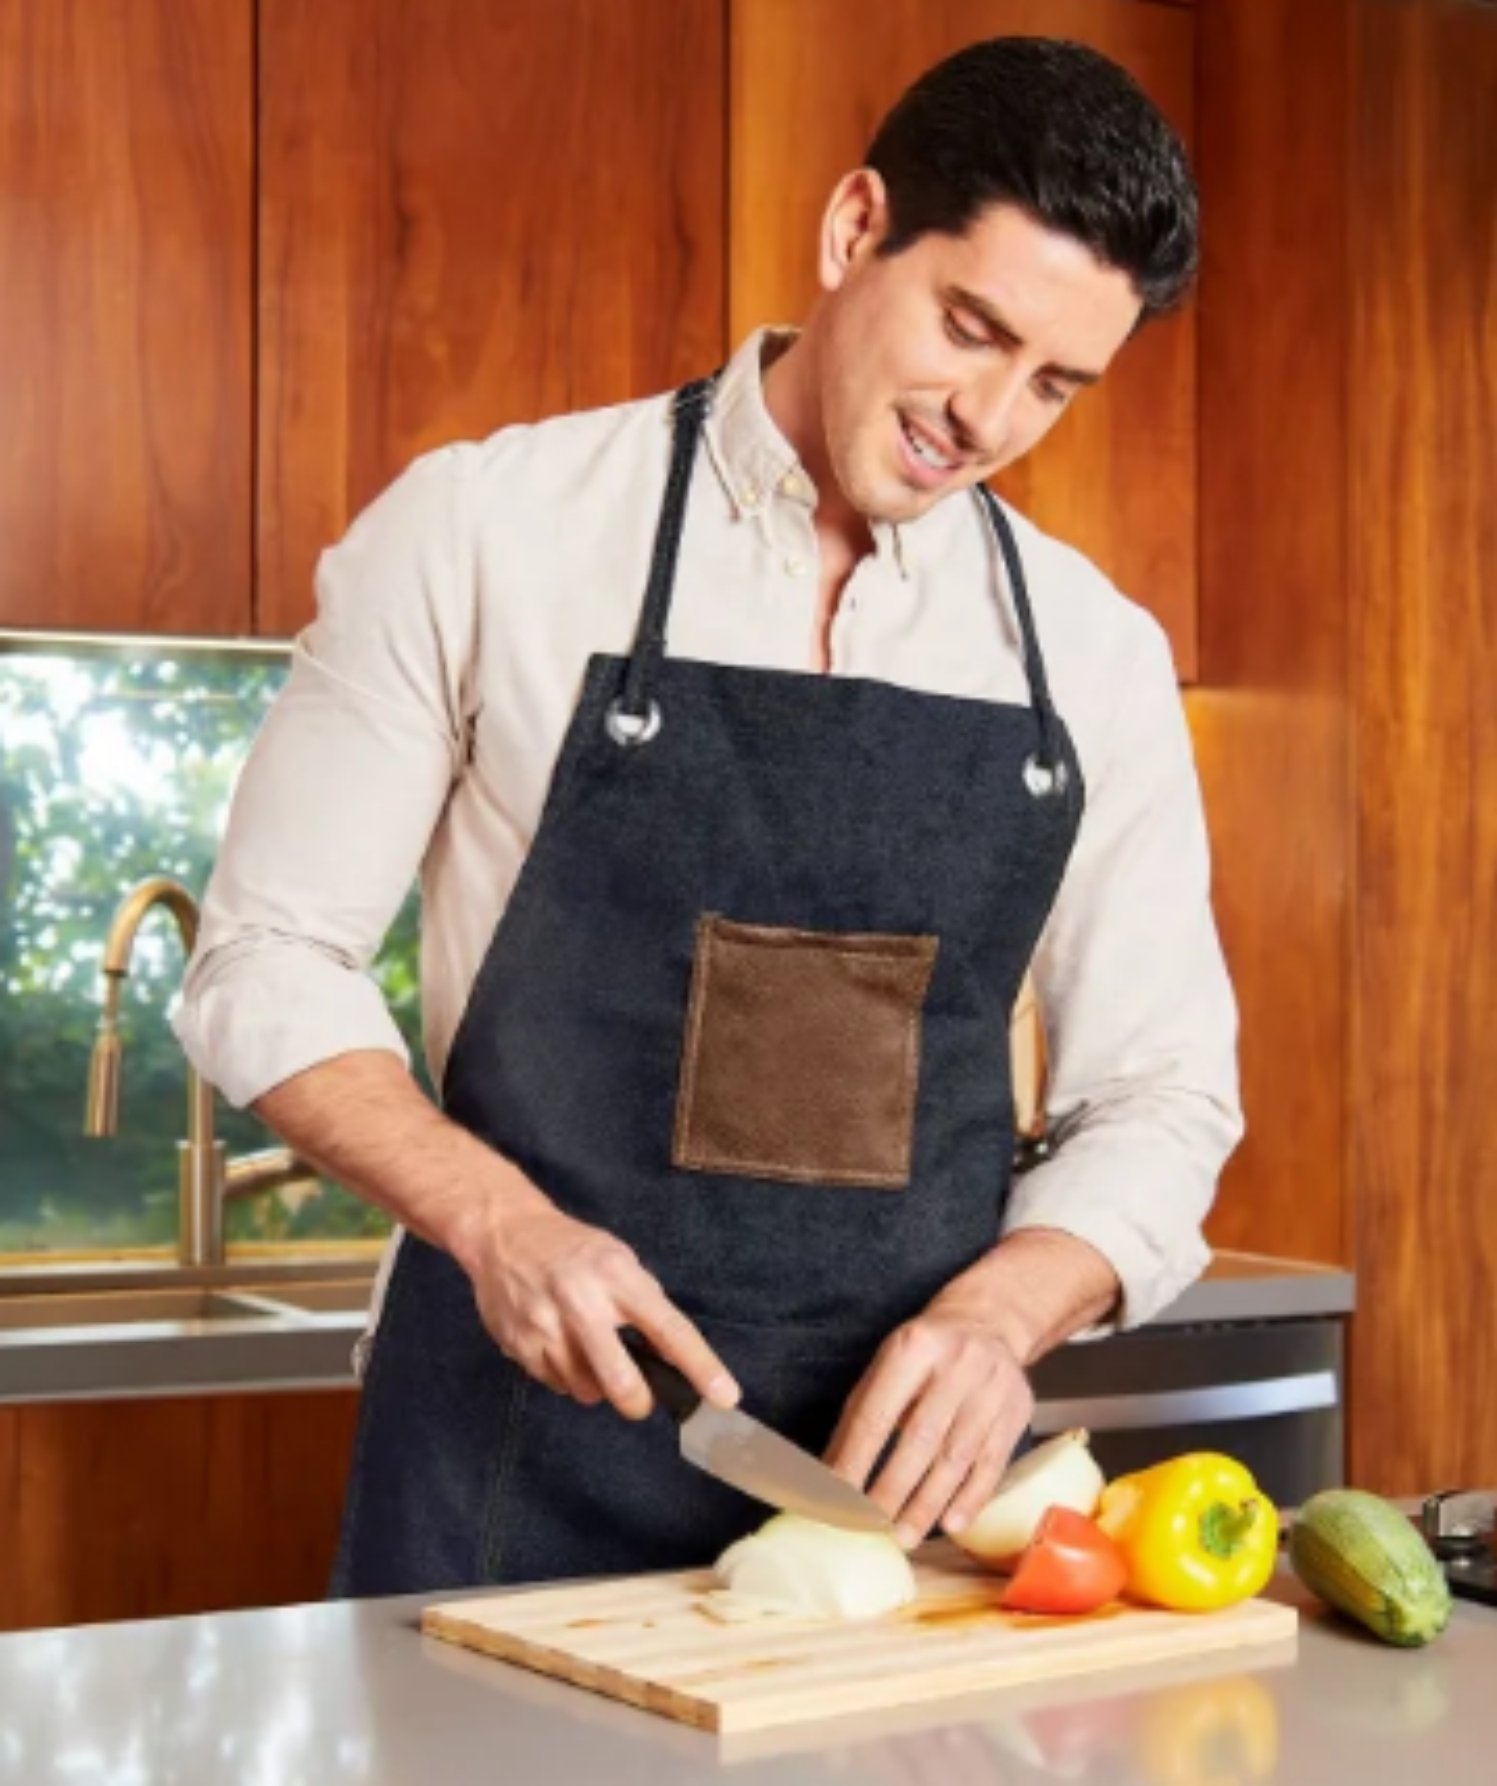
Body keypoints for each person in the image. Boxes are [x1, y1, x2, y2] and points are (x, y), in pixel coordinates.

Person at [176, 36, 1242, 1597]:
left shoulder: (1093, 656)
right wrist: (494, 1221)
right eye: (971, 328)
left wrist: (1001, 1313)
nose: (991, 418)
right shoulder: (488, 531)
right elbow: (264, 957)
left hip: (876, 1523)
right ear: (853, 227)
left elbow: (1158, 1097)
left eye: (1056, 382)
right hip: (505, 1462)